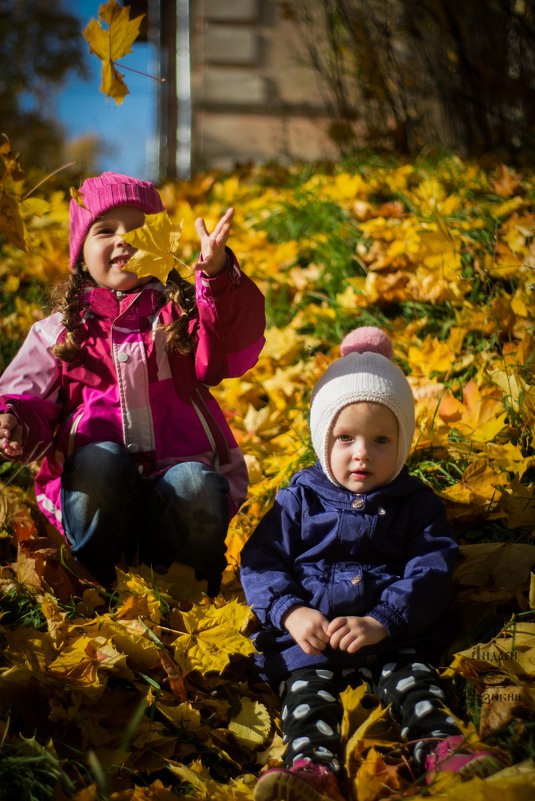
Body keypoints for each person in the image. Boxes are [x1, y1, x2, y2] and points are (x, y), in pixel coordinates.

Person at [240, 326, 503, 801]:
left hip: (389, 639)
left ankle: (442, 749)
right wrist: (290, 612)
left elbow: (431, 569)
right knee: (306, 700)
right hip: (312, 641)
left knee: (416, 686)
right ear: (324, 440)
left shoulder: (415, 503)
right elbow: (261, 561)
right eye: (345, 438)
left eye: (381, 439)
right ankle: (311, 769)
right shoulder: (298, 499)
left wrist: (386, 619)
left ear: (402, 444)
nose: (362, 453)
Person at [0, 171, 265, 594]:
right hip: (99, 492)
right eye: (106, 231)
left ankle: (190, 583)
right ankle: (97, 579)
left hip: (178, 480)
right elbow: (26, 393)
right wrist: (15, 419)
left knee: (195, 484)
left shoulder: (182, 315)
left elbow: (234, 346)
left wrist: (216, 279)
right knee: (98, 461)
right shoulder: (60, 332)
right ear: (81, 256)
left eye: (139, 229)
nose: (124, 239)